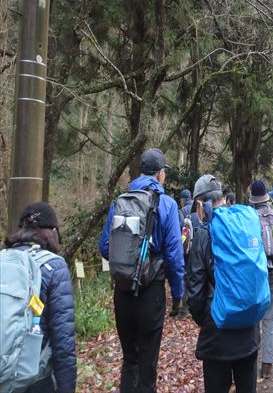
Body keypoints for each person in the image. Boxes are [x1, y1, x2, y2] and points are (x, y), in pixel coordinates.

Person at [99, 148, 185, 393]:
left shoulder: (121, 201)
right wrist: (178, 295)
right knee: (148, 363)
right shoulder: (167, 204)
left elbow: (105, 247)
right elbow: (174, 256)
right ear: (160, 174)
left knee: (130, 360)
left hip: (122, 291)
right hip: (151, 292)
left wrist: (127, 261)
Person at [187, 174, 261, 393]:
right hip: (248, 328)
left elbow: (195, 291)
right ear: (222, 198)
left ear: (200, 204)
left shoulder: (204, 234)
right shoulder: (245, 226)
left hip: (217, 333)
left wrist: (207, 319)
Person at [3, 202, 76, 393]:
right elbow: (63, 340)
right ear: (53, 232)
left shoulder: (3, 259)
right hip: (36, 377)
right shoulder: (55, 266)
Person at [248, 180, 273, 379]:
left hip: (255, 275)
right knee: (269, 318)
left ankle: (251, 359)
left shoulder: (249, 217)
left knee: (253, 319)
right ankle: (267, 364)